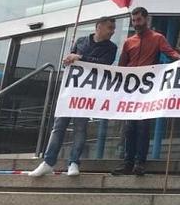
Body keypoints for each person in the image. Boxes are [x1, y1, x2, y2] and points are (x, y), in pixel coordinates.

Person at [29, 17, 118, 177]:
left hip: (87, 94)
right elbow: (69, 64)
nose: (112, 31)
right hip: (71, 92)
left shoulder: (111, 47)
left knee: (80, 128)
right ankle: (48, 162)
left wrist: (80, 58)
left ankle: (74, 162)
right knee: (58, 127)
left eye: (113, 28)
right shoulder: (81, 41)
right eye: (110, 27)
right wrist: (68, 59)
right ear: (99, 27)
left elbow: (104, 64)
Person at [112, 7, 180, 176]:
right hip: (131, 91)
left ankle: (140, 163)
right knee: (129, 128)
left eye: (139, 20)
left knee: (143, 126)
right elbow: (122, 67)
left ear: (146, 19)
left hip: (148, 90)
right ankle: (128, 162)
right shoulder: (129, 42)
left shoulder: (158, 38)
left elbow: (171, 54)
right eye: (133, 21)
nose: (136, 24)